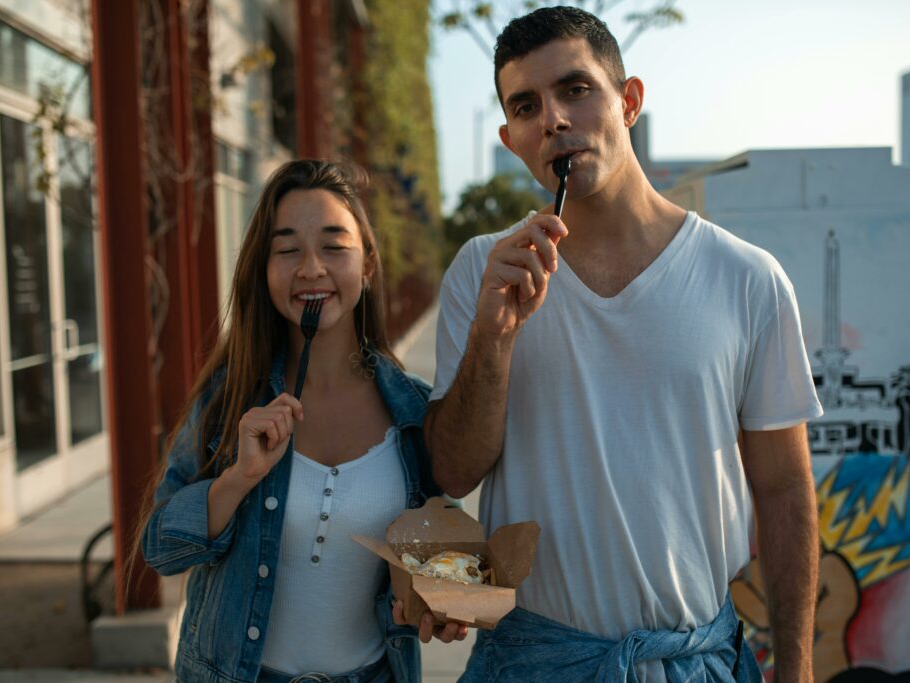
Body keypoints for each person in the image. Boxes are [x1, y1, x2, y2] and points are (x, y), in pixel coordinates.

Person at [422, 7, 823, 682]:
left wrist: (798, 667)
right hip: (533, 662)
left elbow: (785, 489)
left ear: (629, 100)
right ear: (512, 137)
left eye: (575, 89)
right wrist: (495, 336)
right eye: (527, 106)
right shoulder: (482, 271)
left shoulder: (747, 278)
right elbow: (454, 473)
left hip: (694, 661)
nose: (552, 118)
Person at [136, 159, 465, 683]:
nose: (311, 268)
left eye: (334, 246)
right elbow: (161, 548)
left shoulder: (414, 415)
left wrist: (435, 600)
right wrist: (237, 479)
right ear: (264, 271)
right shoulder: (228, 400)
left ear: (368, 265)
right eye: (287, 250)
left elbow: (433, 557)